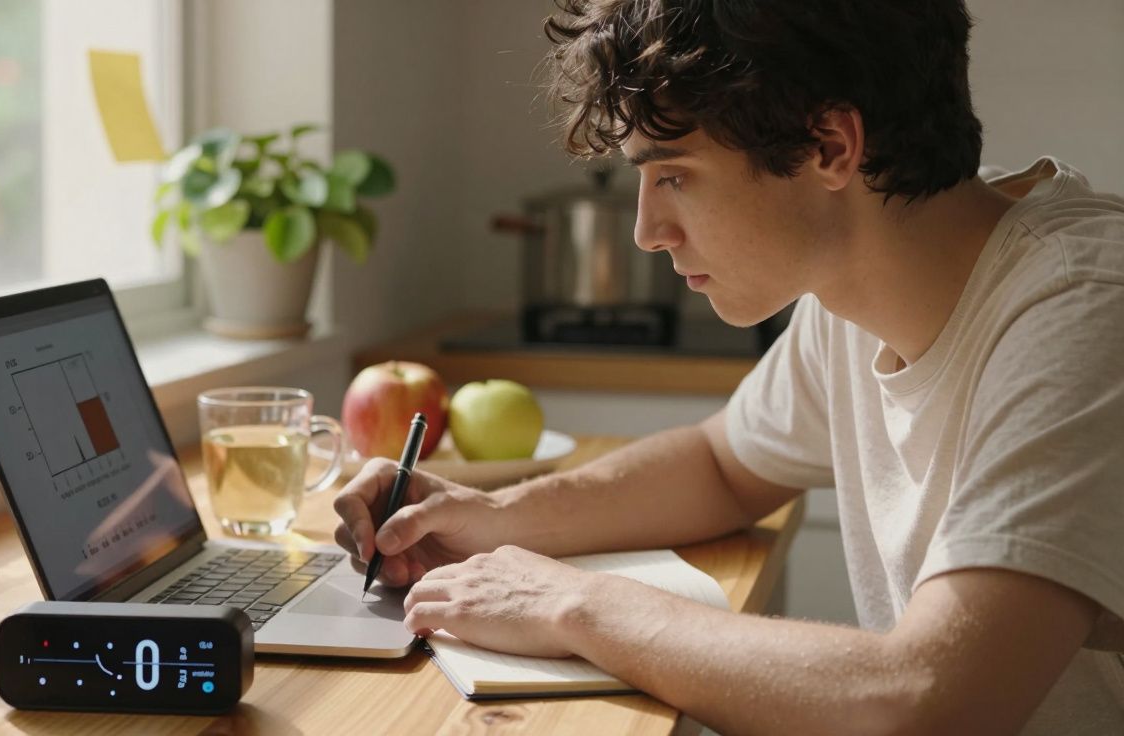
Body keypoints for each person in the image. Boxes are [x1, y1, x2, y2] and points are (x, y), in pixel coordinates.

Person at [333, 1, 1124, 732]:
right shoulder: (848, 289)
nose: (646, 230)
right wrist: (492, 517)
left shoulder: (1085, 307)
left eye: (673, 175)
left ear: (830, 147)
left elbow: (928, 698)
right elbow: (723, 464)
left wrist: (578, 604)